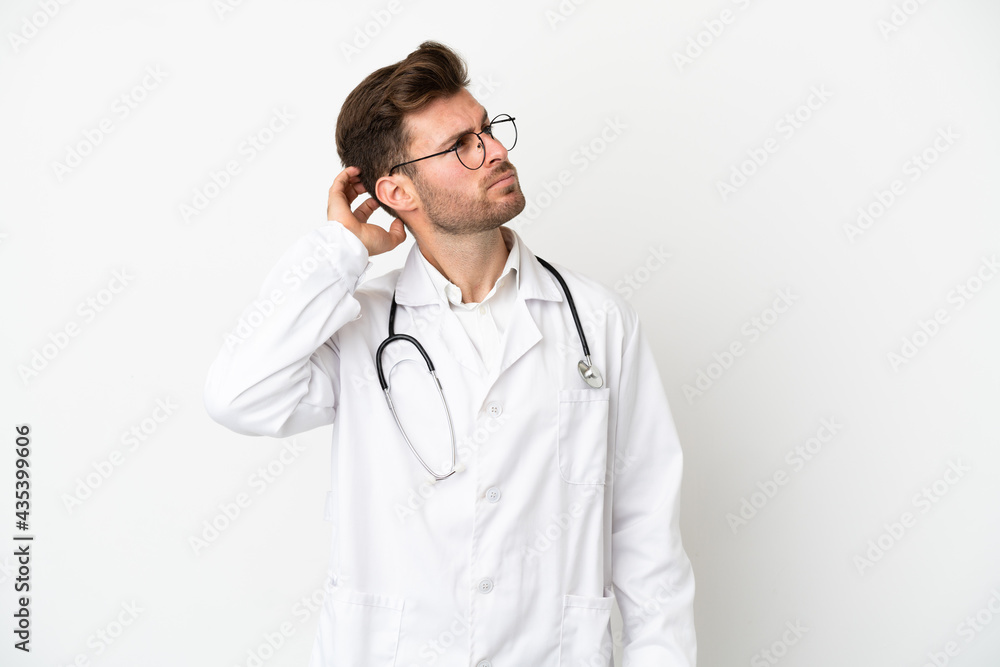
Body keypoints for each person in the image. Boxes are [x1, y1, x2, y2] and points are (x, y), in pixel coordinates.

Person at [204, 40, 696, 667]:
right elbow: (238, 396)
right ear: (397, 191)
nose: (494, 151)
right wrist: (340, 250)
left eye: (487, 129)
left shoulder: (597, 323)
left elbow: (648, 539)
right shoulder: (359, 329)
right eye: (461, 145)